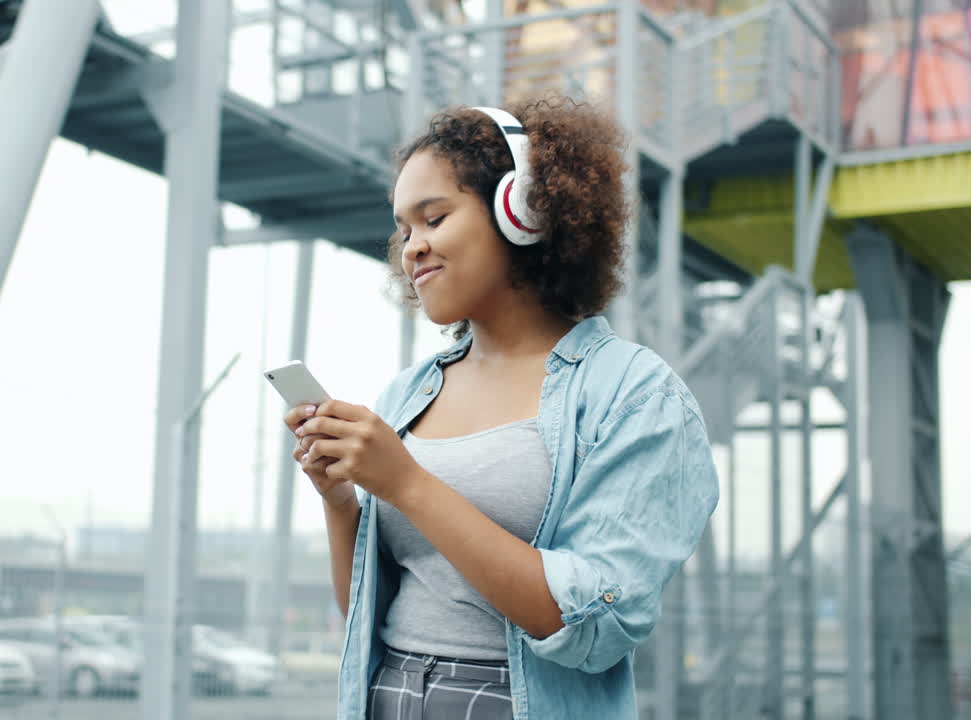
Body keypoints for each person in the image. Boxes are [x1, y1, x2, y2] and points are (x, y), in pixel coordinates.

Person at [282, 97, 719, 720]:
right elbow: (363, 615)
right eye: (404, 230)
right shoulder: (406, 395)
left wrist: (405, 483)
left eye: (434, 218)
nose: (412, 248)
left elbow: (594, 625)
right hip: (390, 695)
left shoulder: (636, 395)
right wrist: (339, 499)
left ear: (524, 211)